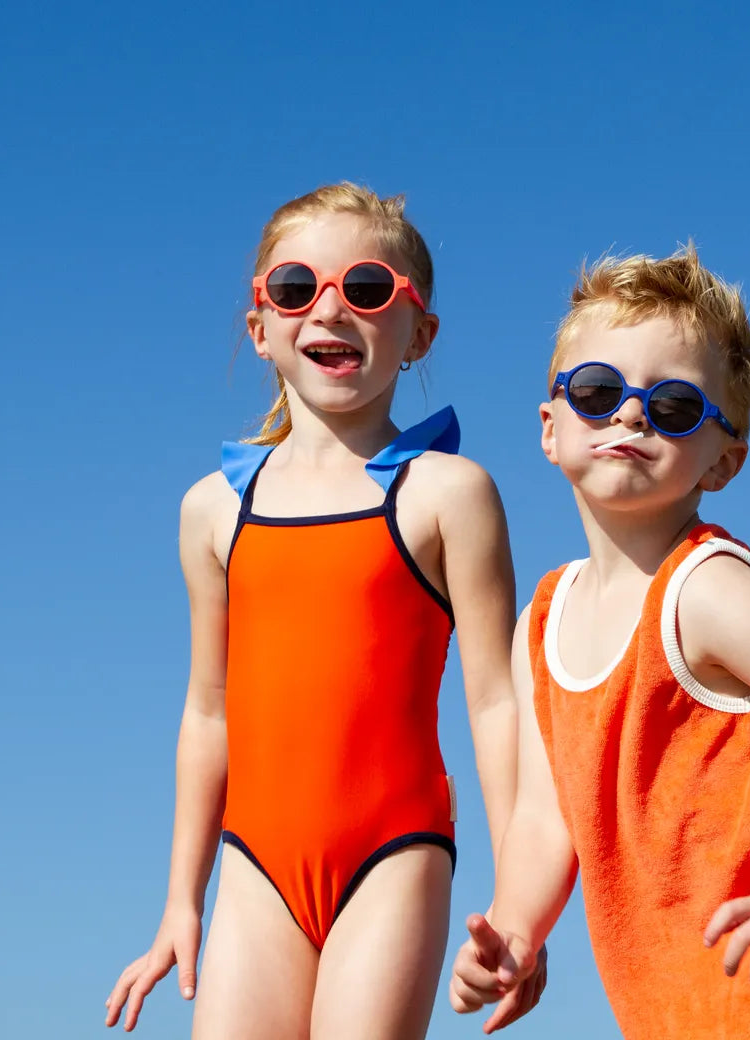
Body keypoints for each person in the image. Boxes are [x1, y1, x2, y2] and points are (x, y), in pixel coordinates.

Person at [450, 244, 750, 1039]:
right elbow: (544, 822)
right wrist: (513, 933)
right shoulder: (541, 623)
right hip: (690, 1012)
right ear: (550, 427)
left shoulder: (705, 590)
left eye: (674, 406)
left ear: (725, 460)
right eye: (598, 391)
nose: (631, 414)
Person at [106, 182, 537, 1038]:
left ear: (419, 334)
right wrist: (180, 903)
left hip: (394, 852)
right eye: (297, 289)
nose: (330, 311)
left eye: (368, 289)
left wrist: (521, 903)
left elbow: (498, 701)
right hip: (253, 865)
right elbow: (208, 711)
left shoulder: (448, 494)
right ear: (260, 327)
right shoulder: (212, 511)